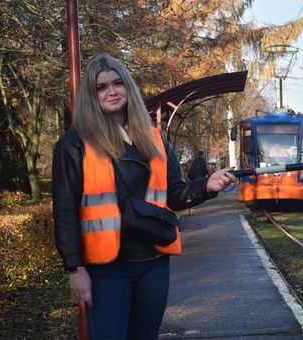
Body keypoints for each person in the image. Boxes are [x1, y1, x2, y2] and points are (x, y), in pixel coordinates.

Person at [52, 54, 237, 339]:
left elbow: (173, 194)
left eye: (117, 83)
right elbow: (65, 212)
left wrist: (206, 186)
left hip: (153, 263)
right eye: (101, 87)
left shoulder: (153, 137)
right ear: (91, 94)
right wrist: (75, 268)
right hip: (106, 271)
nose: (112, 92)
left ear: (128, 87)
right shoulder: (74, 143)